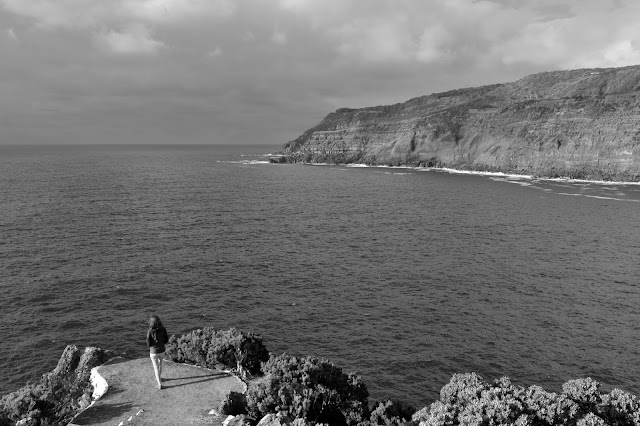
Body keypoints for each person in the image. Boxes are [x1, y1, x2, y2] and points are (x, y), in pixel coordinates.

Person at [146, 315, 169, 389]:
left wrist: (152, 345)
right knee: (160, 364)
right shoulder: (163, 329)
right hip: (162, 350)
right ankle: (159, 378)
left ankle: (159, 384)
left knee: (156, 367)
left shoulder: (150, 331)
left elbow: (148, 342)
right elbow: (166, 340)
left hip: (153, 351)